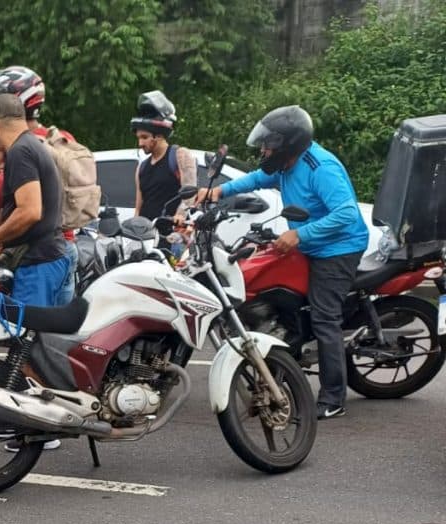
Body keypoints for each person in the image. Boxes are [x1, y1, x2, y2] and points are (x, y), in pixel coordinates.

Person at [196, 105, 369, 419]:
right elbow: (257, 179)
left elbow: (346, 213)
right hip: (311, 244)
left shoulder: (320, 167)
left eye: (268, 145)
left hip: (337, 249)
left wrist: (300, 235)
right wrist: (219, 191)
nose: (264, 151)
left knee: (324, 318)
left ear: (288, 144)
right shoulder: (286, 165)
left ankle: (333, 398)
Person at [0, 65, 79, 302]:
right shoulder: (37, 143)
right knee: (54, 327)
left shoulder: (20, 152)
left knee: (27, 325)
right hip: (58, 250)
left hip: (38, 261)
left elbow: (29, 211)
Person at [131, 90, 197, 227]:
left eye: (144, 137)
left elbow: (190, 194)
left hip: (171, 233)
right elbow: (138, 208)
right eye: (138, 138)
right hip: (146, 234)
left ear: (159, 135)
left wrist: (180, 214)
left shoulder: (180, 155)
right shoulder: (141, 167)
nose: (140, 143)